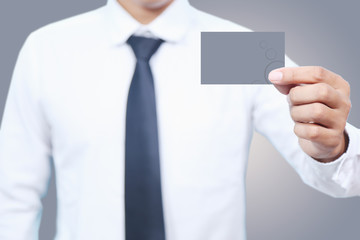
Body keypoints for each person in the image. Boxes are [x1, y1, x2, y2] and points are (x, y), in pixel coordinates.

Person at [0, 0, 359, 239]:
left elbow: (344, 179)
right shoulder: (50, 48)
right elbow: (12, 194)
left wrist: (332, 145)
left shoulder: (233, 47)